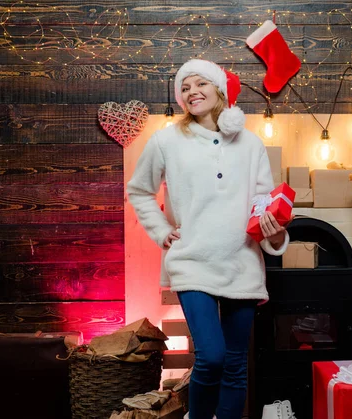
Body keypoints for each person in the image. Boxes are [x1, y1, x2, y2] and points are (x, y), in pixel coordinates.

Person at [127, 59, 291, 419]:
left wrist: (274, 233)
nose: (191, 92)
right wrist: (161, 230)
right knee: (212, 355)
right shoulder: (167, 140)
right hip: (192, 261)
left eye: (200, 84)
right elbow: (139, 191)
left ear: (219, 89)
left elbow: (262, 204)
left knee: (235, 363)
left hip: (242, 262)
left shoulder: (250, 144)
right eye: (184, 88)